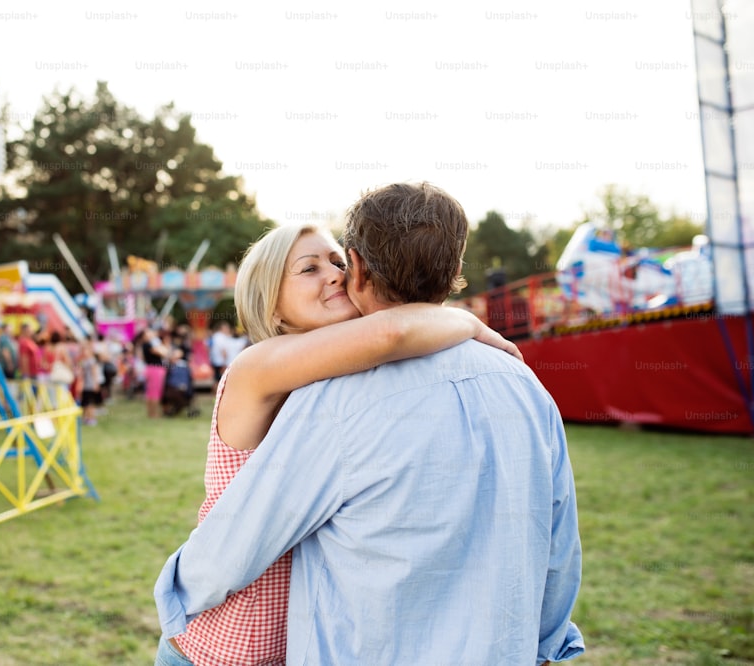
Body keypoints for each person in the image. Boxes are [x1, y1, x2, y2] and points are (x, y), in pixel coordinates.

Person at [155, 183, 584, 665]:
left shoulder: (340, 380)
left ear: (357, 266)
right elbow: (392, 330)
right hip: (225, 642)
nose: (334, 276)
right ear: (270, 303)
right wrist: (468, 324)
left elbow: (392, 333)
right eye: (308, 268)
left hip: (285, 642)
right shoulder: (259, 366)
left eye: (338, 262)